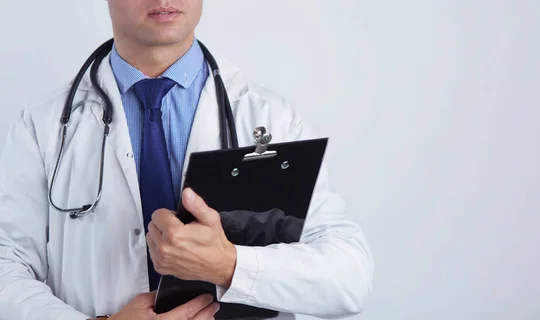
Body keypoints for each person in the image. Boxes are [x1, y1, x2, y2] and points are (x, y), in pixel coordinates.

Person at [0, 1, 374, 319]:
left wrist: (228, 265)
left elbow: (349, 276)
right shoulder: (43, 128)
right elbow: (6, 265)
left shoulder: (271, 120)